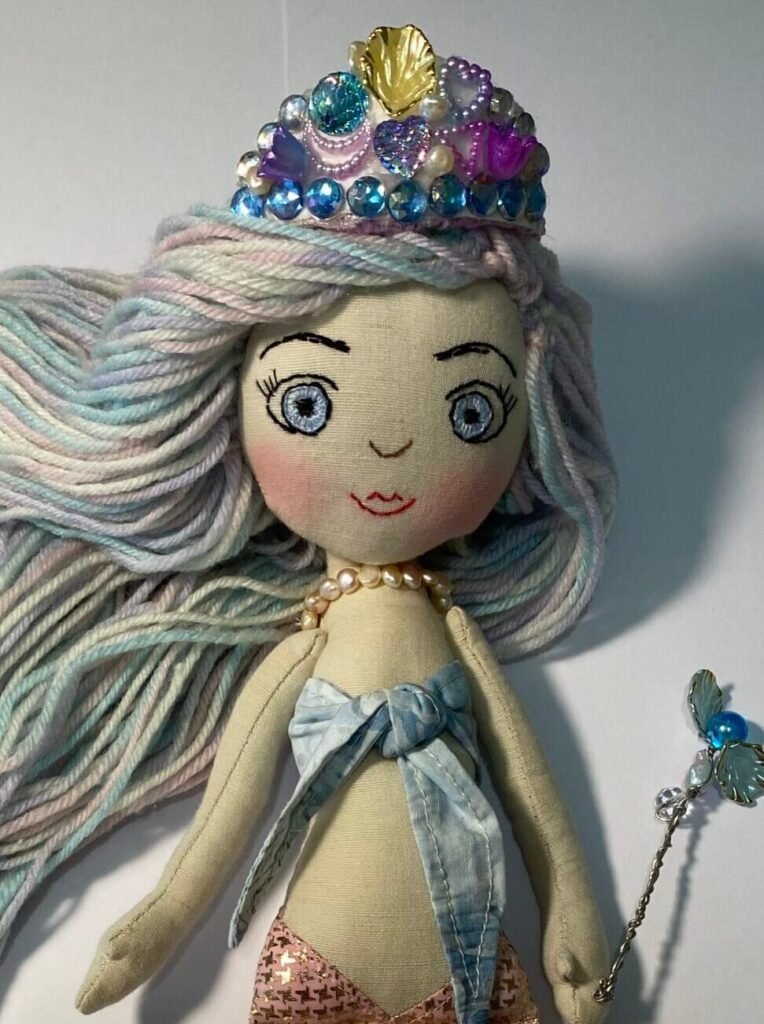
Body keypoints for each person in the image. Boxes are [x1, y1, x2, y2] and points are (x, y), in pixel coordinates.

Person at [0, 23, 617, 1024]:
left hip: (469, 964)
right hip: (315, 966)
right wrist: (160, 917)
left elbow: (534, 804)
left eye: (470, 413)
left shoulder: (449, 634)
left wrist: (571, 928)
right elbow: (229, 808)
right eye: (306, 403)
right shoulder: (313, 645)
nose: (388, 449)